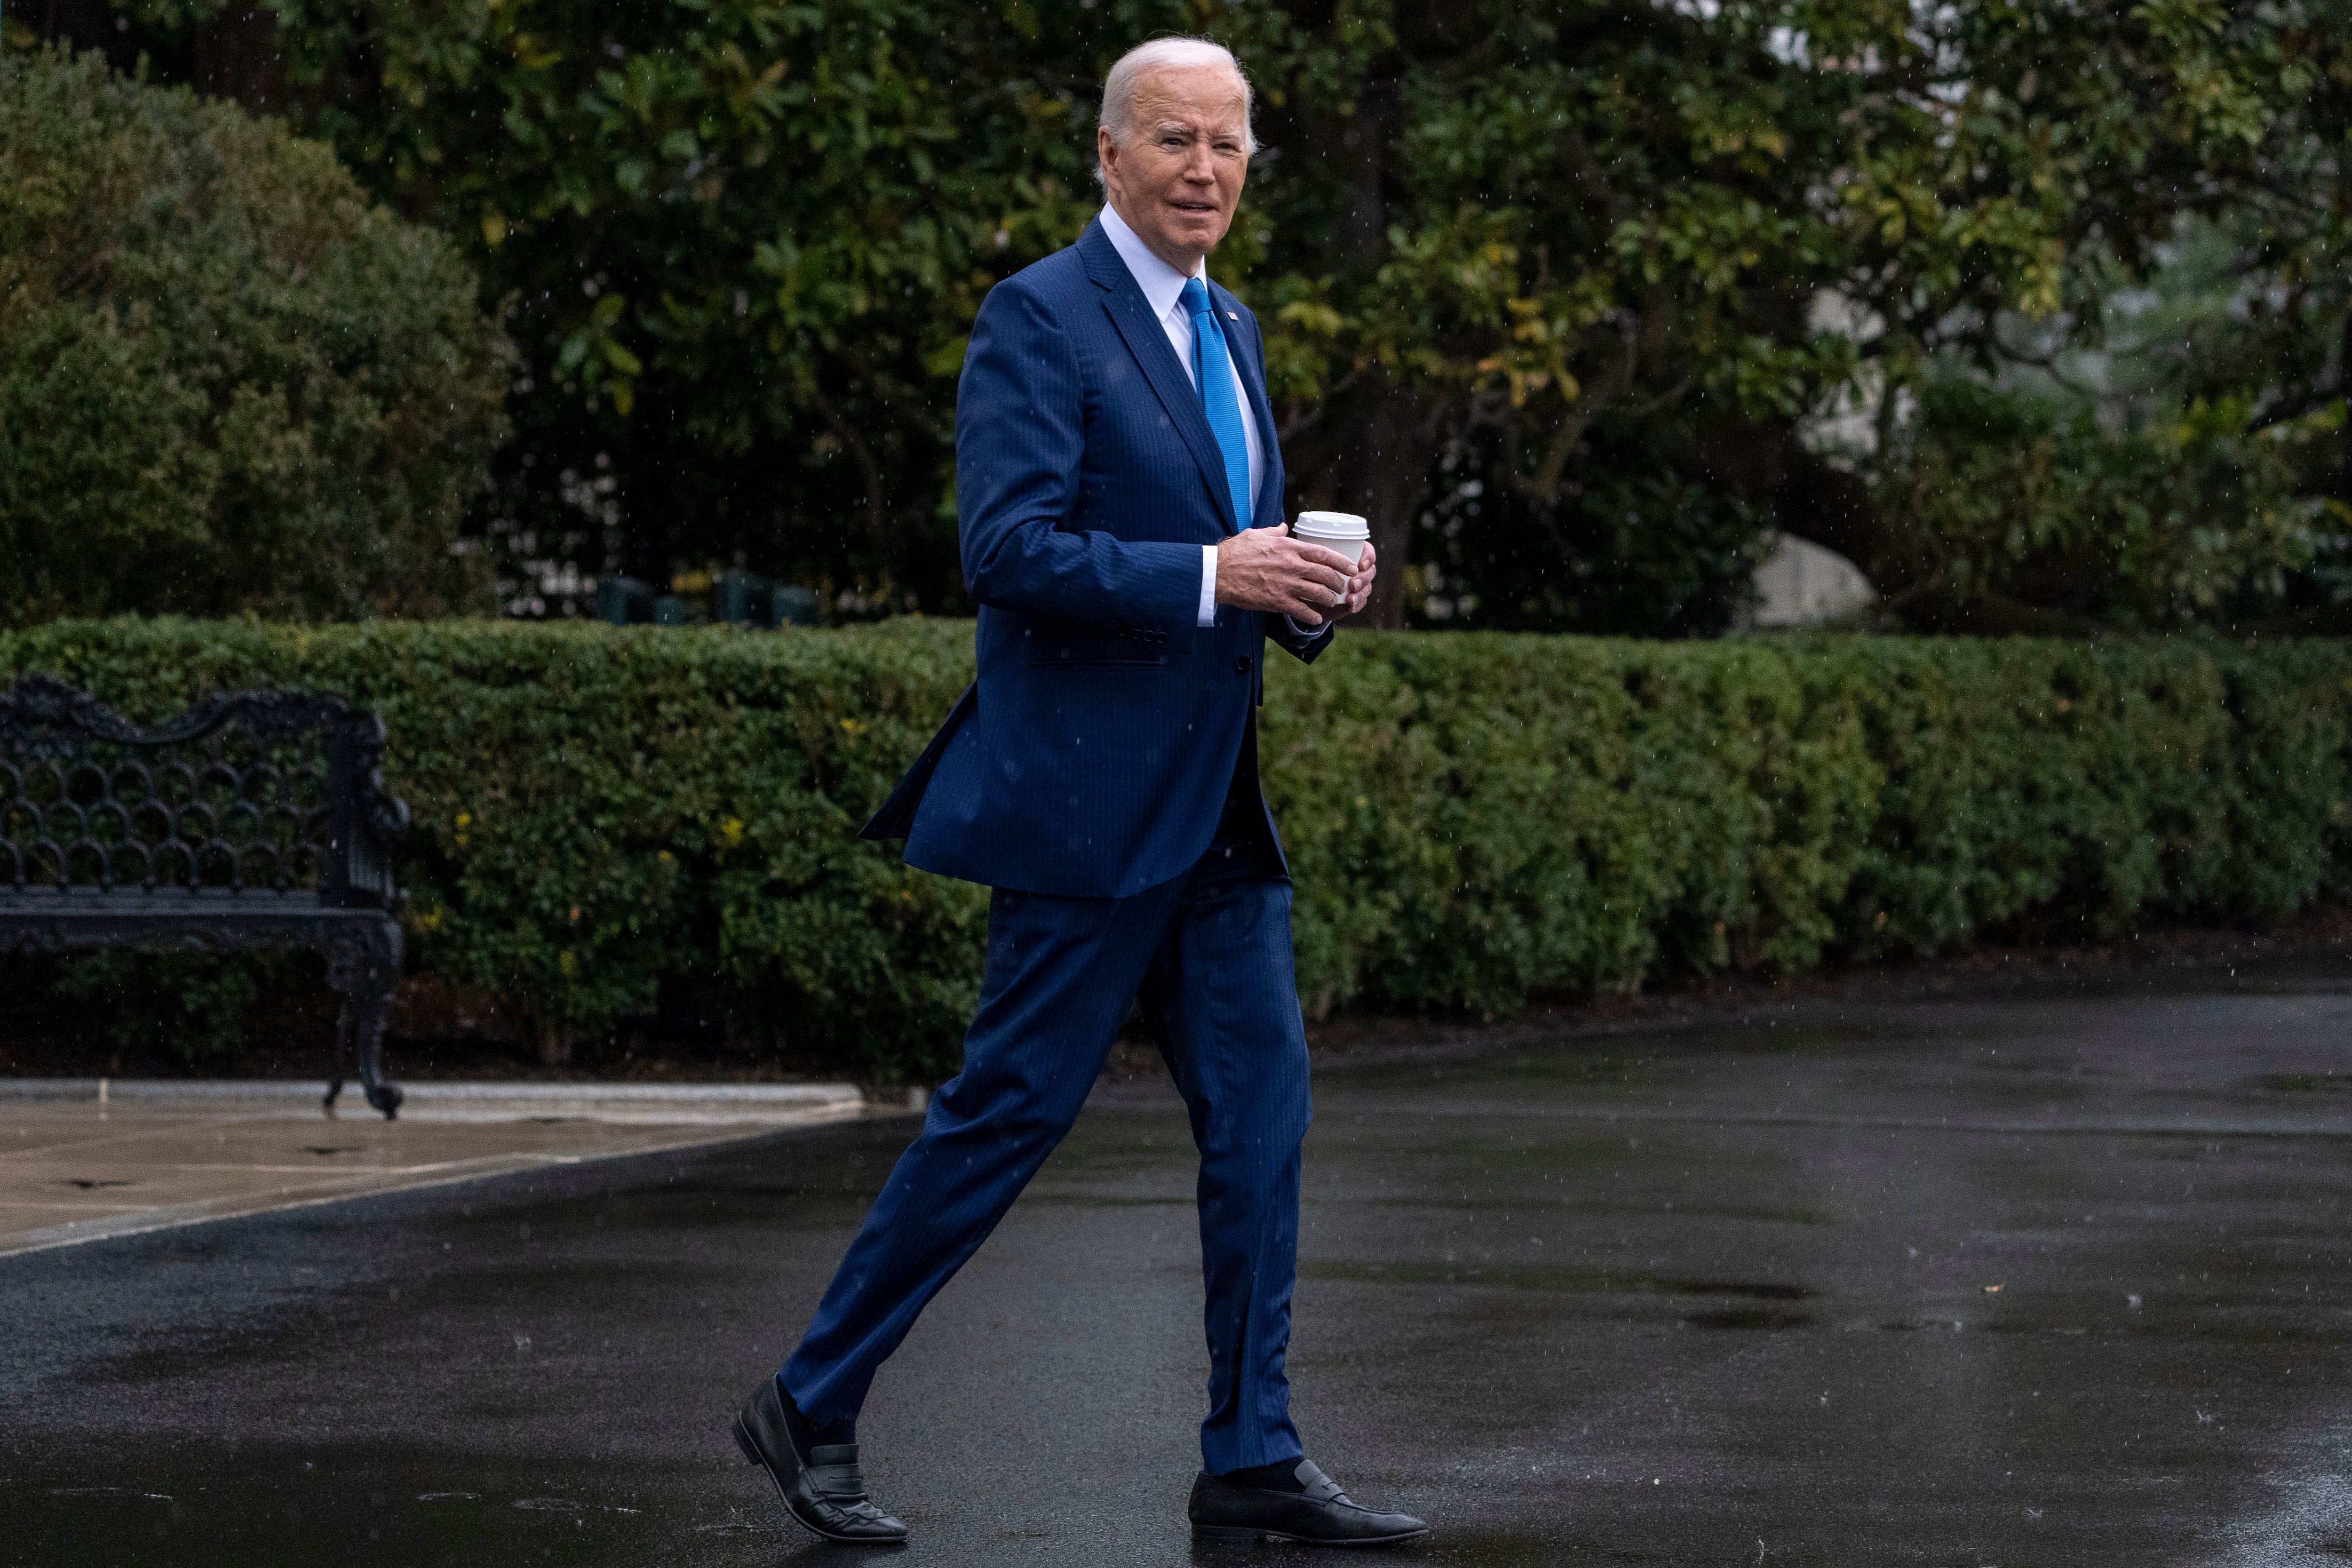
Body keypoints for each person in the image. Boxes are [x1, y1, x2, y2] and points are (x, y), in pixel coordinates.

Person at [731, 35, 1429, 1549]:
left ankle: (1252, 1447)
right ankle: (812, 1398)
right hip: (1087, 808)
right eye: (1175, 140)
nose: (1205, 170)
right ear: (1107, 155)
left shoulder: (1230, 324)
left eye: (1230, 144)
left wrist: (1308, 588)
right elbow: (1007, 549)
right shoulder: (1038, 316)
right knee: (1008, 1114)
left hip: (1219, 814)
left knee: (1263, 1123)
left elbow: (1240, 557)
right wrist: (1212, 572)